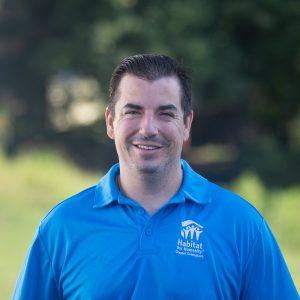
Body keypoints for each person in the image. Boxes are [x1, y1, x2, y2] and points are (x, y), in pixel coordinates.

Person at [12, 54, 299, 299]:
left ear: (186, 124)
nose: (148, 128)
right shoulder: (61, 228)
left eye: (165, 114)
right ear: (111, 122)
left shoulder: (242, 227)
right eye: (133, 111)